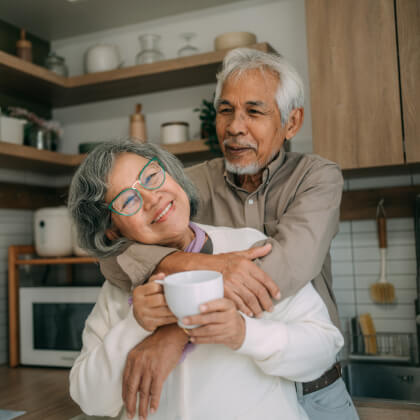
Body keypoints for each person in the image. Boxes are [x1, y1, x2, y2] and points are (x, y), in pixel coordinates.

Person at [99, 49, 358, 419]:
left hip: (316, 387)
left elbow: (283, 267)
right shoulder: (191, 184)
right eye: (225, 110)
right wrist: (197, 263)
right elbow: (114, 255)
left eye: (254, 112)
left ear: (292, 122)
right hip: (240, 391)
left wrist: (175, 333)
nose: (235, 126)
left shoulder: (317, 177)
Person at [68, 140, 347, 420]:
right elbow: (90, 400)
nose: (152, 198)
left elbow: (323, 347)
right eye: (128, 200)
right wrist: (134, 326)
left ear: (171, 174)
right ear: (112, 232)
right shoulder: (120, 289)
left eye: (151, 177)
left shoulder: (248, 248)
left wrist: (244, 333)